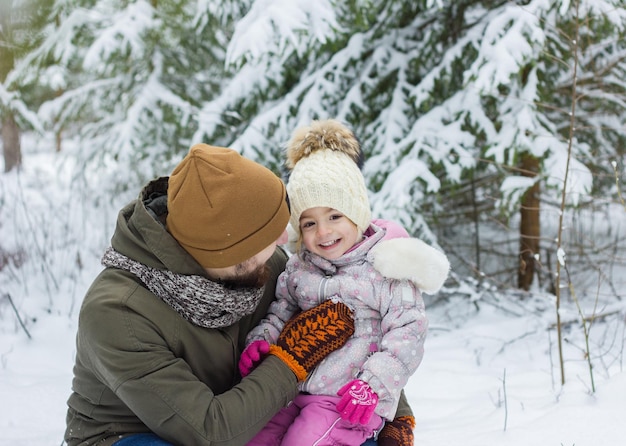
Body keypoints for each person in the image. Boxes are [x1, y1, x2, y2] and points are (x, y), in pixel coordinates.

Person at [63, 143, 413, 446]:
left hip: (247, 413)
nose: (282, 242)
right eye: (269, 235)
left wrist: (392, 409)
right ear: (227, 255)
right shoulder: (118, 314)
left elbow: (360, 328)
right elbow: (212, 434)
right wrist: (290, 360)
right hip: (132, 434)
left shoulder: (263, 264)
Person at [239, 120, 450, 446]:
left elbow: (408, 334)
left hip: (349, 401)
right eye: (309, 223)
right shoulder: (299, 268)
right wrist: (261, 340)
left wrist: (373, 385)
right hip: (296, 389)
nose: (323, 232)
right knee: (253, 436)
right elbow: (279, 313)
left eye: (334, 216)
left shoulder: (386, 267)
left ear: (356, 212)